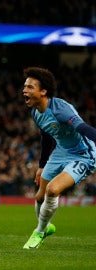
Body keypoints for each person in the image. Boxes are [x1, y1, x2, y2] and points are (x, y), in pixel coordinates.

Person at [22, 67, 96, 249]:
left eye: (30, 87)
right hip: (61, 151)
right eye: (25, 86)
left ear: (43, 92)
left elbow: (82, 128)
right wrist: (41, 166)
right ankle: (46, 227)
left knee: (53, 190)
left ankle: (39, 232)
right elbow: (47, 136)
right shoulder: (35, 111)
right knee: (39, 196)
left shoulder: (60, 109)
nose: (24, 90)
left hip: (82, 153)